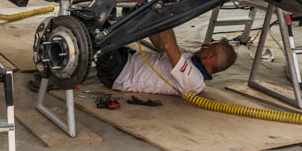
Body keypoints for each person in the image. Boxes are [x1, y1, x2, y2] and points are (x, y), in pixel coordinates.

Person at [95, 29, 237, 96]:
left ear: (211, 56)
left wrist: (166, 13)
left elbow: (169, 45)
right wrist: (153, 23)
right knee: (101, 25)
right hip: (125, 58)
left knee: (91, 38)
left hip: (120, 73)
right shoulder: (190, 57)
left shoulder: (195, 81)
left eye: (208, 46)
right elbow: (161, 44)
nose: (203, 45)